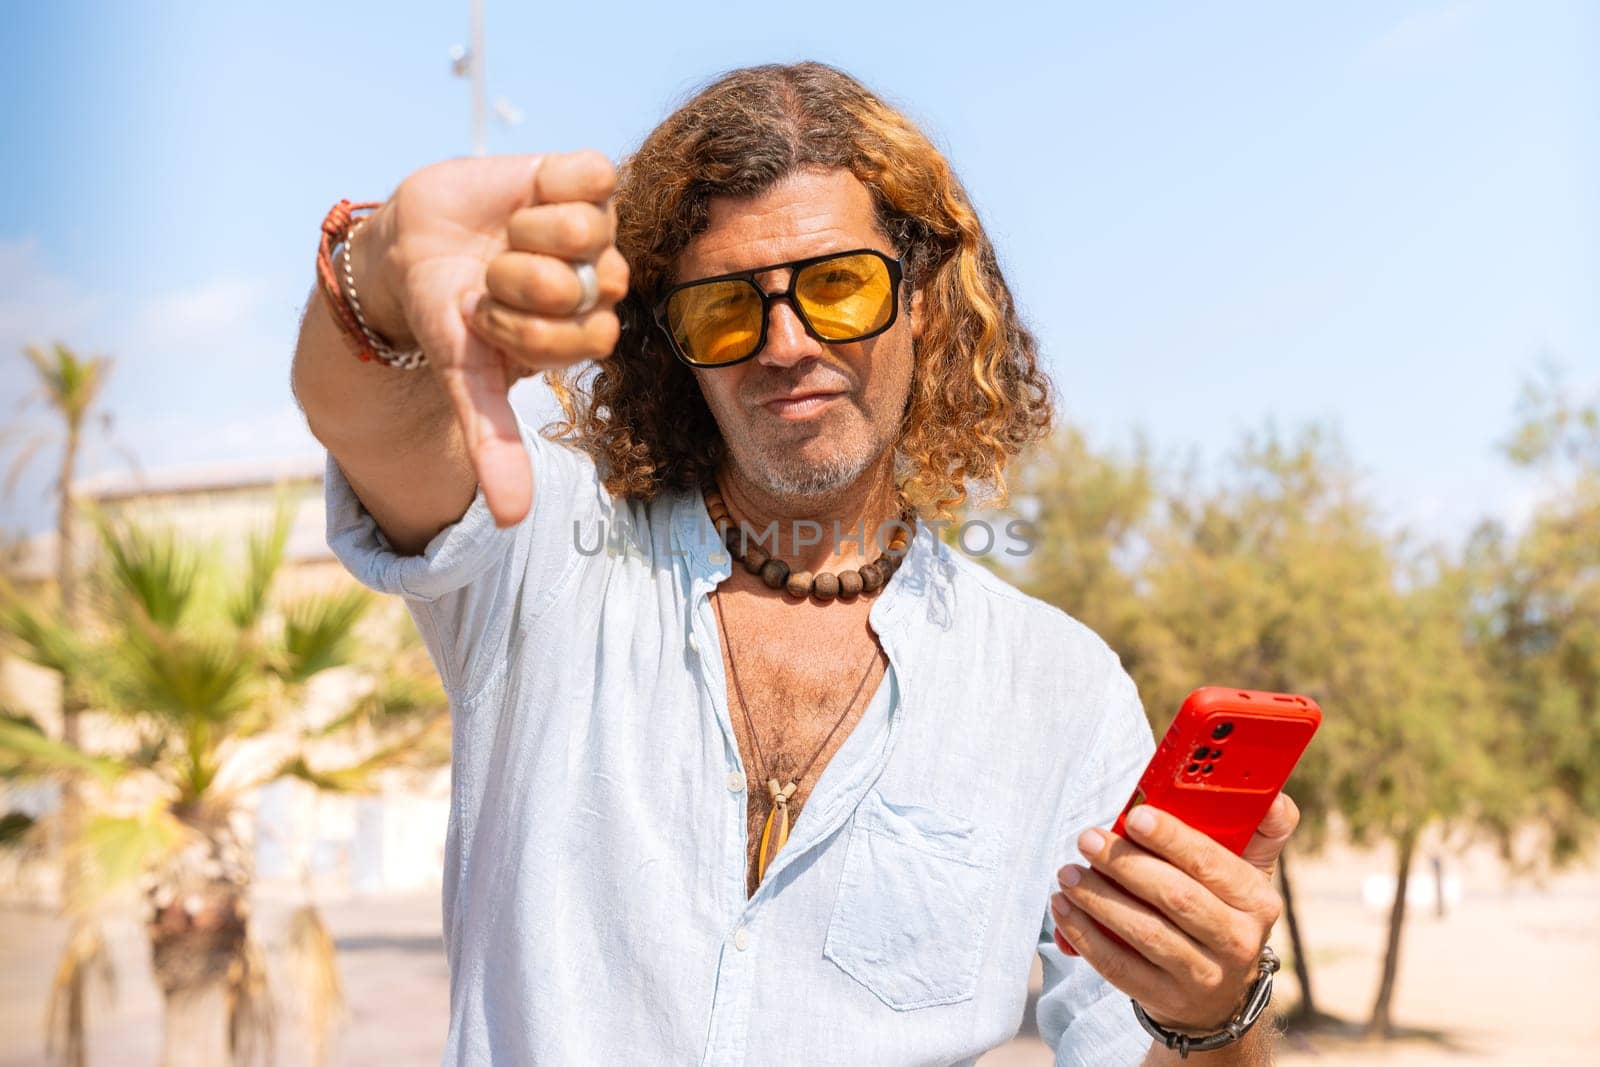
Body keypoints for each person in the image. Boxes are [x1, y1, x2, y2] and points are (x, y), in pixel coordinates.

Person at [292, 62, 1299, 1066]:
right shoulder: (547, 558)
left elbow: (1136, 1046)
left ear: (923, 302)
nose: (783, 343)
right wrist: (374, 276)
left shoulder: (1058, 690)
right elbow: (372, 423)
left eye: (837, 285)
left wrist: (1212, 1011)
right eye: (726, 308)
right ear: (672, 344)